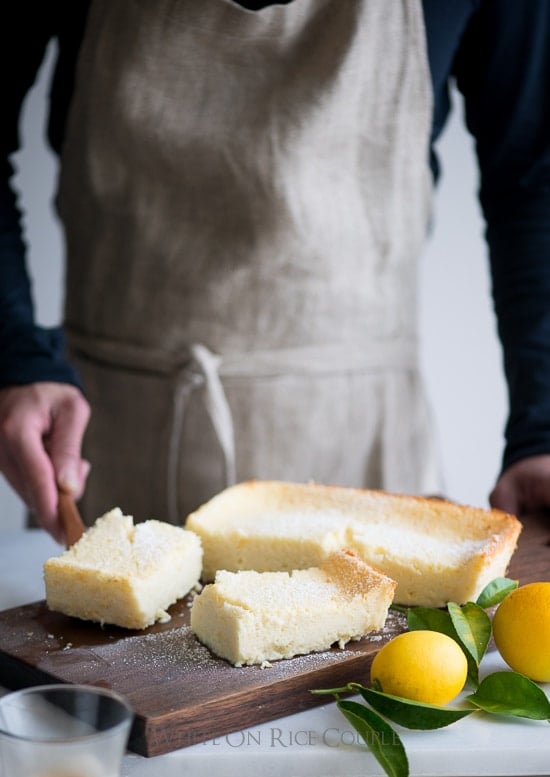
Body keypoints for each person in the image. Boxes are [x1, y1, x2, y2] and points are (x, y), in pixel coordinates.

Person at [1, 0, 550, 544]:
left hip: (365, 458)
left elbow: (533, 177)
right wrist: (15, 353)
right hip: (120, 442)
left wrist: (541, 426)